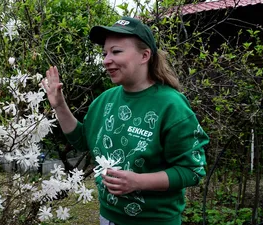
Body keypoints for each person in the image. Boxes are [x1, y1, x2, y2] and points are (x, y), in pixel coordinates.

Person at [41, 16, 209, 225]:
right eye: (104, 53)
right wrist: (59, 105)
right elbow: (83, 140)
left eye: (116, 51)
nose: (105, 60)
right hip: (108, 217)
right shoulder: (105, 101)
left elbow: (191, 170)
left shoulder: (171, 106)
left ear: (144, 55)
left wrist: (138, 182)